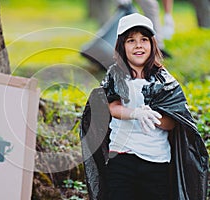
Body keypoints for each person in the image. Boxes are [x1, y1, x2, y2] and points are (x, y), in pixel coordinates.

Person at [79, 13, 208, 200]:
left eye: (144, 40)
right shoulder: (116, 75)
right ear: (122, 46)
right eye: (131, 40)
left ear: (152, 44)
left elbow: (173, 122)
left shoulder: (164, 80)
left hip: (156, 161)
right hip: (121, 157)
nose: (138, 45)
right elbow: (112, 107)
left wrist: (153, 117)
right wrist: (135, 113)